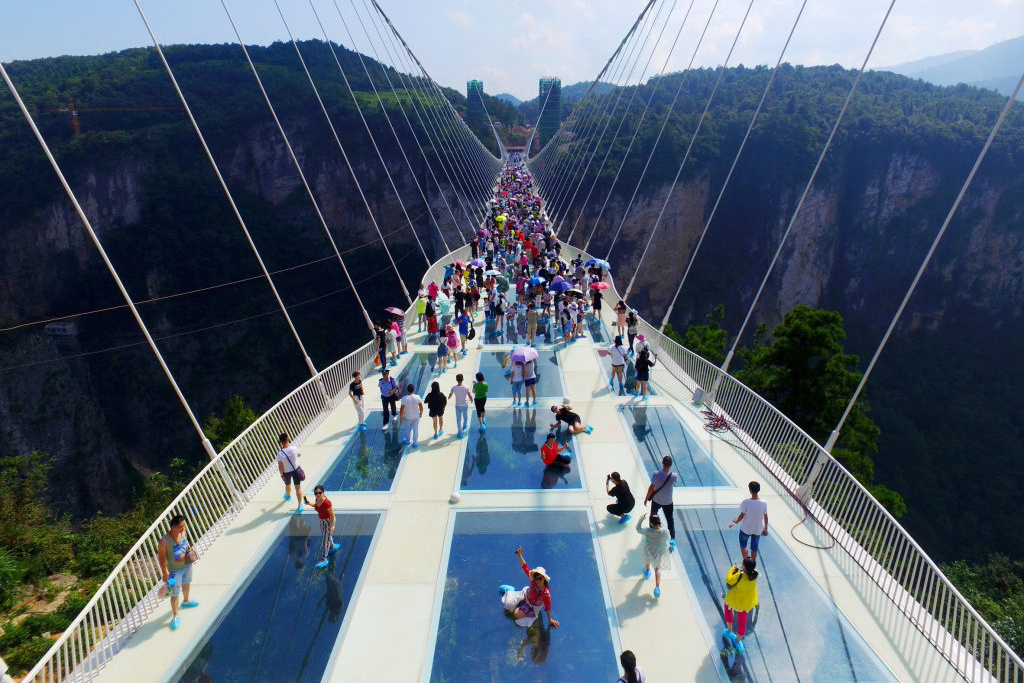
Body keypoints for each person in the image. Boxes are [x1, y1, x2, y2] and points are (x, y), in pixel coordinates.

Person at [498, 547, 560, 628]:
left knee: (516, 615)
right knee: (508, 604)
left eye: (540, 578)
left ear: (544, 579)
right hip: (524, 596)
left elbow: (548, 608)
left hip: (532, 606)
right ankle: (510, 590)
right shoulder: (533, 580)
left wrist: (550, 620)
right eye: (536, 578)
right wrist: (519, 555)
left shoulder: (546, 593)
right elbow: (525, 567)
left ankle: (518, 605)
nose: (537, 580)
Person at [158, 514, 197, 630]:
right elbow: (161, 560)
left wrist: (188, 555)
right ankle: (175, 615)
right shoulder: (164, 542)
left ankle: (186, 601)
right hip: (174, 571)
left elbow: (185, 544)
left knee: (187, 583)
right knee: (175, 593)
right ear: (173, 527)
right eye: (181, 526)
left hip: (187, 565)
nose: (183, 528)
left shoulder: (183, 532)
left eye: (184, 525)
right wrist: (165, 575)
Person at [723, 558, 759, 651]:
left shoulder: (740, 576)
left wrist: (733, 568)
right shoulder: (755, 574)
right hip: (746, 603)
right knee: (743, 620)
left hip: (736, 600)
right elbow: (747, 574)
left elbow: (729, 579)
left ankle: (730, 630)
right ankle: (738, 639)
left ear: (744, 567)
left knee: (728, 608)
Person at [302, 485, 340, 569]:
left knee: (325, 540)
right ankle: (332, 546)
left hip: (329, 521)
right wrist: (309, 503)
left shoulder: (327, 502)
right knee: (326, 536)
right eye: (316, 493)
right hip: (322, 521)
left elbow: (332, 515)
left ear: (323, 493)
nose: (318, 494)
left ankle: (324, 559)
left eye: (320, 493)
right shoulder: (317, 499)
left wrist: (332, 526)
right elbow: (316, 506)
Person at [729, 481, 769, 560]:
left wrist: (735, 521)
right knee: (754, 547)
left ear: (750, 490)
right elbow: (766, 516)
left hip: (745, 529)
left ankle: (746, 563)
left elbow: (741, 516)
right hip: (757, 529)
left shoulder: (746, 502)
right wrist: (766, 528)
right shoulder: (764, 503)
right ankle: (752, 564)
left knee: (743, 545)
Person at [636, 512, 670, 598]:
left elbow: (638, 529)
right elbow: (668, 538)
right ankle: (657, 588)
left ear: (651, 523)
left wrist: (641, 519)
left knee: (647, 560)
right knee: (657, 568)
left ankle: (647, 571)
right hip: (658, 553)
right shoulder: (665, 531)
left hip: (649, 551)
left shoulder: (647, 530)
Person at [645, 456, 677, 546]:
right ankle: (672, 539)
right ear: (670, 465)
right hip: (668, 501)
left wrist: (646, 498)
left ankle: (652, 533)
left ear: (662, 463)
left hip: (656, 500)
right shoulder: (674, 476)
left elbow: (651, 488)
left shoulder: (656, 474)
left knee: (653, 516)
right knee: (670, 519)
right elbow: (674, 482)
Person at [276, 433, 304, 513]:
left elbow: (280, 466)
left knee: (288, 485)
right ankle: (299, 505)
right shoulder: (294, 448)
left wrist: (282, 475)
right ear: (288, 439)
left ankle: (288, 496)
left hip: (286, 472)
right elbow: (299, 455)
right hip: (296, 470)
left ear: (280, 442)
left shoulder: (280, 454)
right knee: (298, 489)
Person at [399, 383, 423, 447]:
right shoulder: (417, 397)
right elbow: (421, 407)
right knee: (415, 430)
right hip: (416, 417)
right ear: (413, 390)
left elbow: (401, 409)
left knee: (407, 430)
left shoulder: (404, 398)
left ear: (407, 390)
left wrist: (400, 418)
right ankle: (415, 443)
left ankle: (408, 441)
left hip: (408, 417)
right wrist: (421, 413)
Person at [448, 373, 472, 437]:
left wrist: (449, 397)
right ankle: (465, 425)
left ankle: (459, 431)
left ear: (456, 380)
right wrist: (471, 399)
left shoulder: (453, 388)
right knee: (465, 416)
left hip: (458, 405)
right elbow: (469, 395)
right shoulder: (466, 387)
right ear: (462, 379)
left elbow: (450, 394)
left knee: (458, 419)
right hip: (465, 405)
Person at [378, 368, 400, 432]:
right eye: (383, 375)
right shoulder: (381, 381)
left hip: (391, 395)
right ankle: (385, 424)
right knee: (385, 410)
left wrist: (392, 391)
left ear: (388, 374)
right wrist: (382, 393)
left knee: (393, 405)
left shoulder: (392, 380)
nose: (384, 376)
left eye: (385, 375)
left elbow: (396, 386)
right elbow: (380, 387)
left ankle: (394, 414)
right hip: (384, 397)